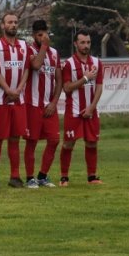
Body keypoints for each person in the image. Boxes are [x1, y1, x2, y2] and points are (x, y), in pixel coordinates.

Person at [0, 13, 30, 189]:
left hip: (18, 99)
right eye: (10, 22)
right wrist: (7, 90)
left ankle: (15, 176)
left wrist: (18, 90)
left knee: (15, 138)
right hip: (0, 99)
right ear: (3, 26)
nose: (13, 25)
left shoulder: (24, 46)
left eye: (16, 22)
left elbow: (26, 69)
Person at [59, 29, 104, 186]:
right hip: (74, 111)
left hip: (91, 111)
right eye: (82, 42)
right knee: (68, 143)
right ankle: (64, 177)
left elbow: (99, 87)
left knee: (92, 142)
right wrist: (85, 78)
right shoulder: (69, 64)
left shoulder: (97, 63)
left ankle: (92, 176)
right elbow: (67, 88)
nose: (86, 45)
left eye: (88, 42)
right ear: (76, 44)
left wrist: (92, 107)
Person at [24, 19, 62, 188]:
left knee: (54, 140)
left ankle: (42, 176)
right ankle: (30, 177)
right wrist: (44, 47)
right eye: (39, 35)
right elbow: (37, 65)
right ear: (34, 36)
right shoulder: (28, 50)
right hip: (32, 104)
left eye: (45, 34)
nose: (43, 37)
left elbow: (59, 80)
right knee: (31, 141)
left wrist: (54, 102)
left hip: (49, 105)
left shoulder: (54, 53)